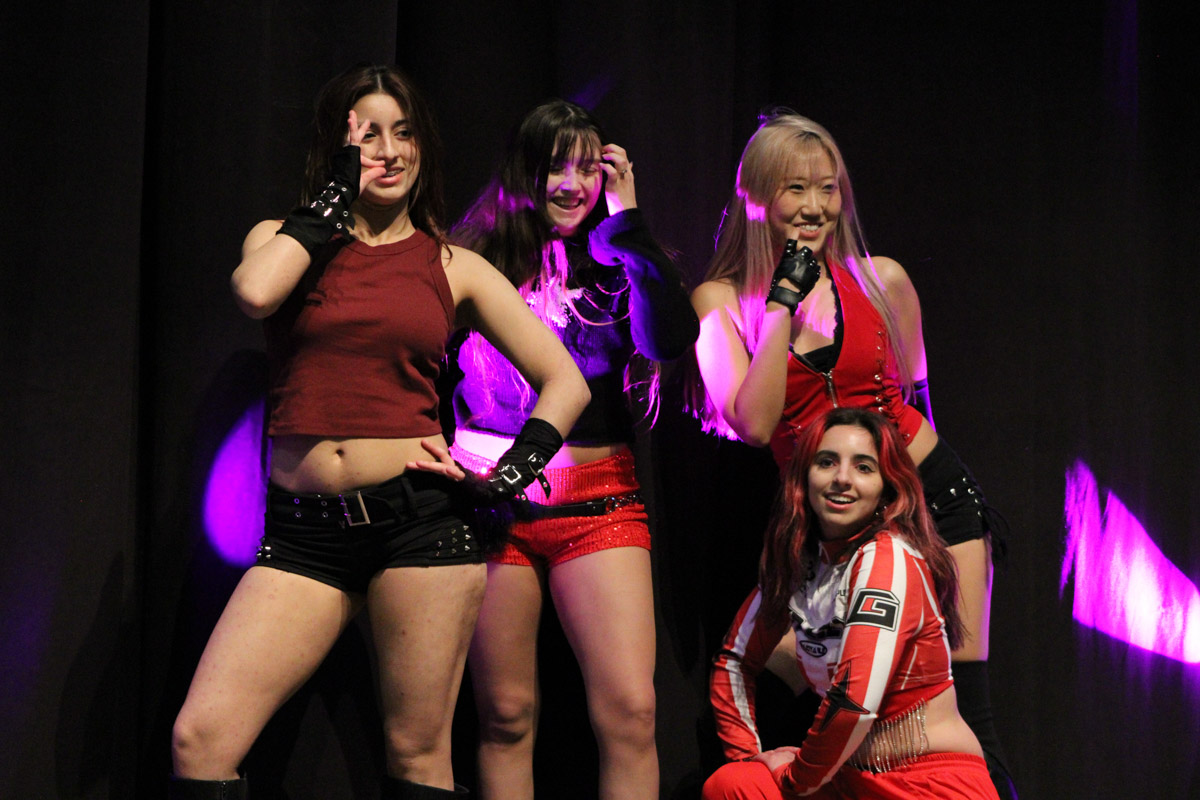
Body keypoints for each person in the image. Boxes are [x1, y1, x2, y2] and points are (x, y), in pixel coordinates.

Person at [169, 65, 589, 800]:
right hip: (303, 534)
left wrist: (507, 476)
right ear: (335, 148)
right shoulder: (280, 239)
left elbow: (567, 382)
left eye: (404, 133)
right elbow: (256, 292)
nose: (390, 152)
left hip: (419, 525)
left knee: (417, 756)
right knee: (199, 741)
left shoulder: (451, 264)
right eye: (367, 136)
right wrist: (331, 202)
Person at [690, 112, 1016, 798]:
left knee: (963, 707)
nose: (816, 206)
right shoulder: (723, 300)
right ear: (756, 197)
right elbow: (753, 423)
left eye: (828, 188)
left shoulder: (881, 280)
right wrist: (781, 304)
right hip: (835, 521)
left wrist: (918, 511)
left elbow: (918, 398)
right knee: (847, 704)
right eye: (795, 188)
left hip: (933, 501)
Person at [428, 99, 697, 800]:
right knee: (506, 714)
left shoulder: (619, 258)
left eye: (587, 168)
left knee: (632, 712)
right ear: (525, 171)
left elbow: (669, 340)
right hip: (491, 501)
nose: (572, 185)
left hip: (599, 502)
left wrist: (628, 223)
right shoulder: (473, 256)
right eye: (556, 167)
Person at [704, 408, 1000, 799]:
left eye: (863, 467)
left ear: (886, 487)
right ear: (804, 477)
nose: (842, 478)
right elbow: (735, 661)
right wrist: (750, 757)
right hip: (852, 781)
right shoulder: (801, 565)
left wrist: (795, 780)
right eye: (827, 462)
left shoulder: (889, 559)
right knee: (734, 785)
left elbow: (854, 702)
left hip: (930, 783)